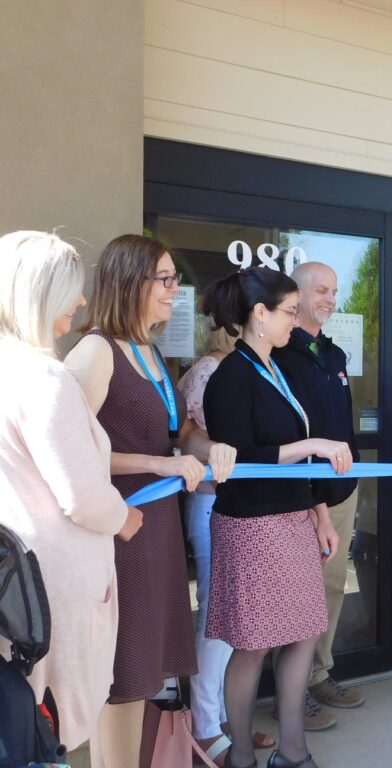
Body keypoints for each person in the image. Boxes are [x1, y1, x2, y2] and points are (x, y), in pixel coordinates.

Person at [64, 234, 235, 768]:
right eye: (164, 278)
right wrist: (158, 464)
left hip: (155, 529)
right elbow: (69, 451)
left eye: (173, 279)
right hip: (120, 532)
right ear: (128, 281)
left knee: (141, 675)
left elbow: (180, 432)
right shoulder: (95, 351)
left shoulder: (151, 352)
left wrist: (211, 445)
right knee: (121, 675)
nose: (174, 289)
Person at [0, 231, 142, 751]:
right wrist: (123, 515)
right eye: (71, 291)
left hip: (16, 582)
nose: (82, 302)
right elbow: (83, 496)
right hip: (55, 587)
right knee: (49, 728)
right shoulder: (44, 379)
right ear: (37, 295)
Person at [202, 267, 349, 768]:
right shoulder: (231, 376)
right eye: (288, 310)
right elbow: (241, 457)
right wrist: (312, 443)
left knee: (304, 631)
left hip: (292, 519)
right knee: (253, 644)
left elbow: (296, 462)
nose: (295, 319)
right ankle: (241, 756)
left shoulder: (276, 369)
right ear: (259, 315)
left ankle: (292, 750)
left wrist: (319, 514)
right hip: (251, 525)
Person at [179, 326, 277, 763]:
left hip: (241, 509)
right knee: (218, 622)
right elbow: (195, 438)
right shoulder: (210, 370)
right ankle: (205, 725)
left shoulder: (250, 367)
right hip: (213, 506)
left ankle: (226, 720)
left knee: (236, 623)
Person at [272, 261, 363, 731]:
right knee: (298, 596)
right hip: (300, 496)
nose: (330, 299)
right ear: (299, 294)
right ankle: (290, 688)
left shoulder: (335, 355)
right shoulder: (280, 355)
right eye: (321, 290)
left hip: (341, 492)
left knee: (331, 587)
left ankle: (317, 676)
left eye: (334, 291)